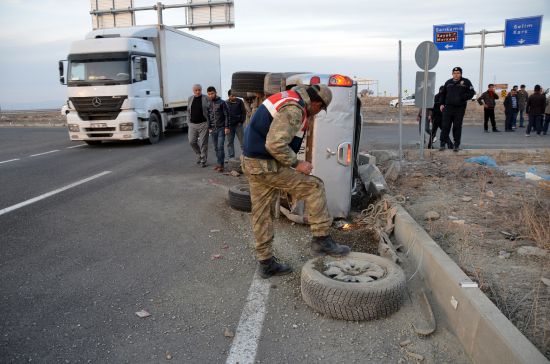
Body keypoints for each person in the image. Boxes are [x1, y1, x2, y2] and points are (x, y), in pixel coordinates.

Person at [241, 85, 351, 278]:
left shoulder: (288, 98)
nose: (318, 113)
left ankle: (266, 263)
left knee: (262, 213)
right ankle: (321, 239)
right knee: (314, 187)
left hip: (253, 162)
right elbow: (275, 144)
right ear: (316, 103)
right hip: (265, 165)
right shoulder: (295, 108)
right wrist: (296, 163)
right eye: (321, 109)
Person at [439, 66, 476, 152]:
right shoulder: (448, 82)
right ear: (452, 74)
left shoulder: (466, 82)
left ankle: (456, 145)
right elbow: (443, 94)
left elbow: (471, 92)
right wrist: (441, 104)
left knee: (457, 126)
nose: (456, 75)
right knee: (445, 126)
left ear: (461, 74)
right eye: (454, 73)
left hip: (459, 108)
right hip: (448, 108)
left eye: (458, 73)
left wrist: (462, 98)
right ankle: (442, 144)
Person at [206, 86, 230, 172]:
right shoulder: (208, 104)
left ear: (215, 92)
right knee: (216, 147)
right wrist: (209, 128)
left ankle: (221, 165)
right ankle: (219, 163)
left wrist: (227, 127)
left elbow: (226, 115)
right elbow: (208, 117)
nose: (211, 95)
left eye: (212, 93)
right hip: (213, 129)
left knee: (220, 147)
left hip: (221, 128)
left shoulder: (222, 102)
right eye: (209, 94)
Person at [187, 84, 210, 167]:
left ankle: (203, 160)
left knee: (203, 142)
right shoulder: (190, 98)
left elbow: (210, 110)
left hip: (203, 124)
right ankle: (199, 154)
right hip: (192, 124)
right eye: (196, 90)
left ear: (201, 90)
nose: (198, 92)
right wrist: (188, 122)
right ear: (193, 91)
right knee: (191, 141)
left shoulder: (206, 98)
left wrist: (209, 124)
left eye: (199, 90)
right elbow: (188, 111)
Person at [225, 89, 247, 159]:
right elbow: (224, 114)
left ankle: (245, 156)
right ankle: (231, 157)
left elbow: (243, 112)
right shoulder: (225, 103)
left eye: (235, 95)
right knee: (230, 142)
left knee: (243, 142)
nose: (234, 97)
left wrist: (241, 121)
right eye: (232, 96)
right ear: (229, 96)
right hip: (229, 126)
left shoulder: (240, 102)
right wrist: (226, 126)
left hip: (238, 125)